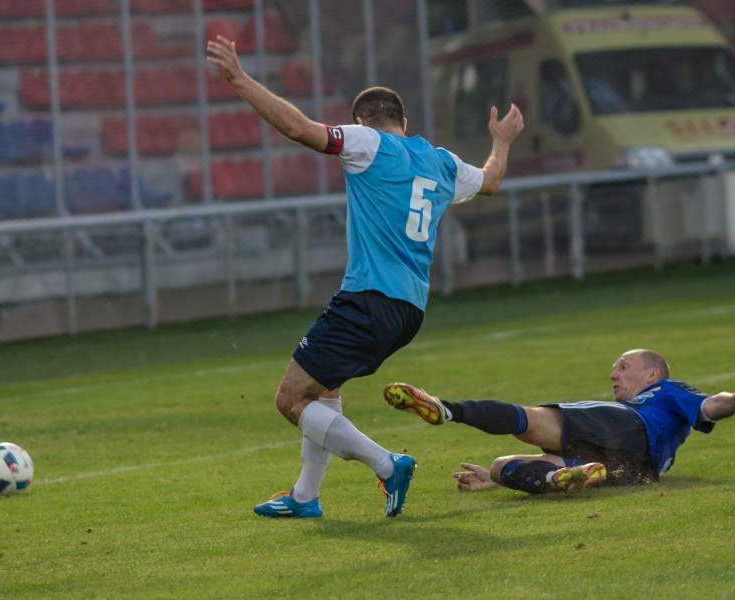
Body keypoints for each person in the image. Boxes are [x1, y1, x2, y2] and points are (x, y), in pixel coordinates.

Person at [206, 36, 524, 518]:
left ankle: (387, 463)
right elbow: (491, 179)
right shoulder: (440, 160)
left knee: (291, 399)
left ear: (360, 121)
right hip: (409, 310)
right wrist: (501, 140)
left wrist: (240, 79)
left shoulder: (367, 142)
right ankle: (305, 497)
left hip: (369, 299)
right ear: (405, 122)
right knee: (325, 388)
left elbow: (297, 128)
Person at [384, 349, 735, 496]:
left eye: (624, 367)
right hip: (633, 471)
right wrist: (493, 479)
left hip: (630, 429)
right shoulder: (649, 402)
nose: (614, 374)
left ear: (653, 375)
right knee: (501, 466)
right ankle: (557, 477)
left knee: (529, 419)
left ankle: (448, 409)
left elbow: (709, 406)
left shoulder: (665, 391)